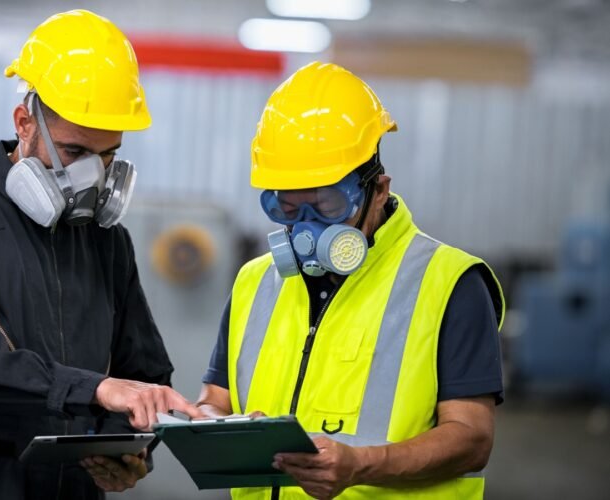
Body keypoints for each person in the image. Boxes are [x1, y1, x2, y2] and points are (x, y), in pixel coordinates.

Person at [0, 10, 201, 500]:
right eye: (76, 153)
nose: (94, 178)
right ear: (24, 123)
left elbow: (143, 375)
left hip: (75, 486)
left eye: (107, 157)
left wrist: (131, 450)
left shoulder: (107, 242)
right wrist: (95, 389)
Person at [195, 62, 505, 499]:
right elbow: (215, 399)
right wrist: (214, 425)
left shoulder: (450, 283)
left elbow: (472, 438)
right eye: (287, 208)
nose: (306, 230)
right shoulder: (254, 282)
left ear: (378, 190)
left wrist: (362, 465)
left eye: (327, 206)